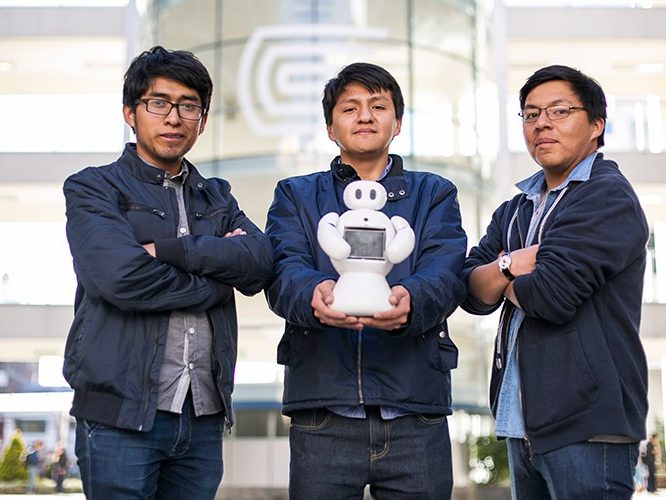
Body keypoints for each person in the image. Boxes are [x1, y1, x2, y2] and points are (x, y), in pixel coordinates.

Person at [62, 46, 273, 499]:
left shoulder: (217, 197)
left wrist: (170, 251)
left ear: (202, 119)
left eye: (188, 106)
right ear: (130, 112)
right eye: (158, 102)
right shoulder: (94, 187)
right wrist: (216, 284)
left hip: (202, 414)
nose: (174, 118)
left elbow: (259, 261)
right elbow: (121, 278)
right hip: (120, 417)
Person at [265, 62, 467, 499]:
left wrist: (410, 300)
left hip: (416, 410)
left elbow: (447, 269)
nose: (365, 116)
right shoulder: (296, 195)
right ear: (330, 127)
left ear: (398, 123)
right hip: (323, 411)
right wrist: (313, 294)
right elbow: (282, 268)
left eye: (378, 106)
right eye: (350, 108)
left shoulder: (434, 193)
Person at [461, 64, 649, 499]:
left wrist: (499, 273)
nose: (542, 124)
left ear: (597, 124)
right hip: (521, 423)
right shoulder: (516, 209)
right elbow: (469, 290)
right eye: (531, 114)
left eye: (560, 111)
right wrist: (513, 264)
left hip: (587, 424)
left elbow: (550, 295)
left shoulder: (605, 195)